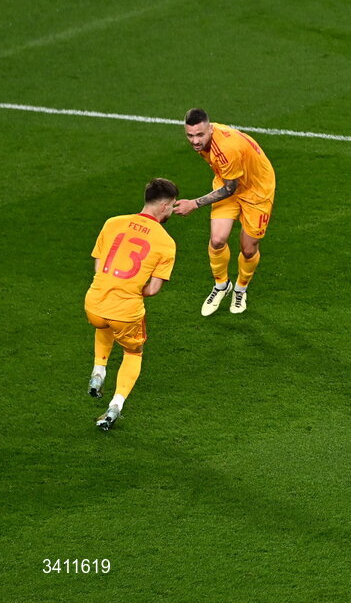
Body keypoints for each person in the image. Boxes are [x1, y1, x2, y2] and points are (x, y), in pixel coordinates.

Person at [85, 178, 179, 430]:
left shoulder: (112, 222)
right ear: (164, 206)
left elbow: (98, 266)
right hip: (125, 312)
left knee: (103, 323)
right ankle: (115, 405)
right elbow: (153, 289)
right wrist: (134, 287)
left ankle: (98, 371)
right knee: (133, 352)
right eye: (171, 207)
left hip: (94, 302)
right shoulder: (166, 242)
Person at [173, 108, 276, 316]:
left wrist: (194, 203)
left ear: (210, 129)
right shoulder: (207, 140)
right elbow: (229, 184)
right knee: (217, 240)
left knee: (248, 249)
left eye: (199, 135)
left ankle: (240, 289)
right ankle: (222, 285)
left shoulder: (226, 149)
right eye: (190, 135)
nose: (194, 141)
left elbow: (230, 189)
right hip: (229, 180)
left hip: (257, 192)